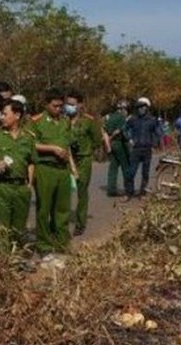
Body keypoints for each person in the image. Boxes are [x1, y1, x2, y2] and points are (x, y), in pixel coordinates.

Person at [26, 87, 78, 256]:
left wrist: (73, 168)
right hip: (44, 168)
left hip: (62, 170)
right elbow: (30, 144)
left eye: (60, 106)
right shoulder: (35, 121)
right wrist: (52, 149)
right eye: (55, 106)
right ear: (46, 104)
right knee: (44, 209)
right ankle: (44, 244)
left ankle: (62, 241)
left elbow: (67, 145)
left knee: (62, 209)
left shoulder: (65, 121)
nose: (58, 109)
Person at [0, 99, 36, 241]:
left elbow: (31, 162)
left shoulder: (28, 137)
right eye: (1, 114)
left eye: (5, 114)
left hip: (21, 188)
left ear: (17, 115)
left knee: (19, 229)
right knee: (2, 228)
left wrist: (29, 184)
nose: (2, 117)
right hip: (2, 187)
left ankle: (16, 259)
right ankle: (3, 260)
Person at [65, 89, 102, 236]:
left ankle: (80, 223)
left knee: (81, 192)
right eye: (68, 104)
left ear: (80, 105)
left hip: (83, 159)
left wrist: (87, 150)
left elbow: (97, 140)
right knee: (64, 192)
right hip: (66, 159)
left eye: (72, 104)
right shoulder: (62, 120)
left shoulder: (89, 121)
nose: (69, 107)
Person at [124, 97, 163, 199]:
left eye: (143, 107)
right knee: (131, 172)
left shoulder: (152, 120)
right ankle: (129, 193)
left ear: (147, 108)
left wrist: (155, 144)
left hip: (147, 149)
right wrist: (129, 139)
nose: (140, 109)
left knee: (145, 173)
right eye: (138, 107)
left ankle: (142, 193)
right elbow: (124, 129)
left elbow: (158, 133)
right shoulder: (133, 119)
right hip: (136, 149)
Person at [104, 100, 130, 197]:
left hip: (112, 145)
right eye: (126, 109)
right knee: (125, 166)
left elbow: (105, 132)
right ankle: (128, 188)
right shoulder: (121, 118)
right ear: (123, 109)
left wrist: (108, 144)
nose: (126, 111)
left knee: (113, 167)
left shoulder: (110, 117)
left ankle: (111, 190)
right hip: (119, 144)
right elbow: (120, 131)